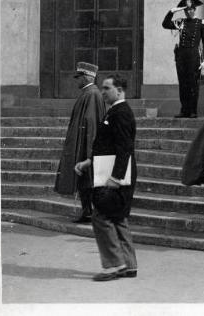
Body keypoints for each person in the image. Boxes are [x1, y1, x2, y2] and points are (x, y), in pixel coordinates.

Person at [75, 74, 138, 281]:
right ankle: (128, 265)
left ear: (119, 90)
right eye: (102, 88)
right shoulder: (115, 111)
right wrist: (89, 161)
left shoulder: (121, 113)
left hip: (117, 175)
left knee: (101, 216)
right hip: (114, 172)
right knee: (117, 216)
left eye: (107, 88)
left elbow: (124, 148)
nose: (102, 92)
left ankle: (114, 266)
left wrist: (116, 178)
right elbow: (107, 145)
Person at [54, 62, 106, 223]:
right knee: (85, 180)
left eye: (79, 77)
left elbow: (90, 124)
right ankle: (87, 212)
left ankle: (90, 212)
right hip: (83, 144)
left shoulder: (91, 94)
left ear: (87, 77)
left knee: (88, 180)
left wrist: (88, 151)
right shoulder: (89, 93)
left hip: (86, 146)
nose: (77, 81)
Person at [162, 0, 204, 118]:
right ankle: (184, 110)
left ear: (195, 9)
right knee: (183, 83)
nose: (189, 12)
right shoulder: (180, 22)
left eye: (191, 9)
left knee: (193, 84)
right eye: (186, 10)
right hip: (181, 56)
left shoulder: (201, 23)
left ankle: (193, 110)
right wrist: (172, 11)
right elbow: (165, 24)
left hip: (194, 56)